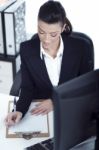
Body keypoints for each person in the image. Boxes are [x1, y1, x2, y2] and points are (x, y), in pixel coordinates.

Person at [5, 1, 94, 126]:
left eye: (53, 34)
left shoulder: (81, 48)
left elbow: (85, 87)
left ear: (62, 29)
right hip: (40, 112)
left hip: (70, 108)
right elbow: (27, 88)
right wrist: (19, 110)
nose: (46, 40)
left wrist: (55, 101)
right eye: (41, 32)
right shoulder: (27, 49)